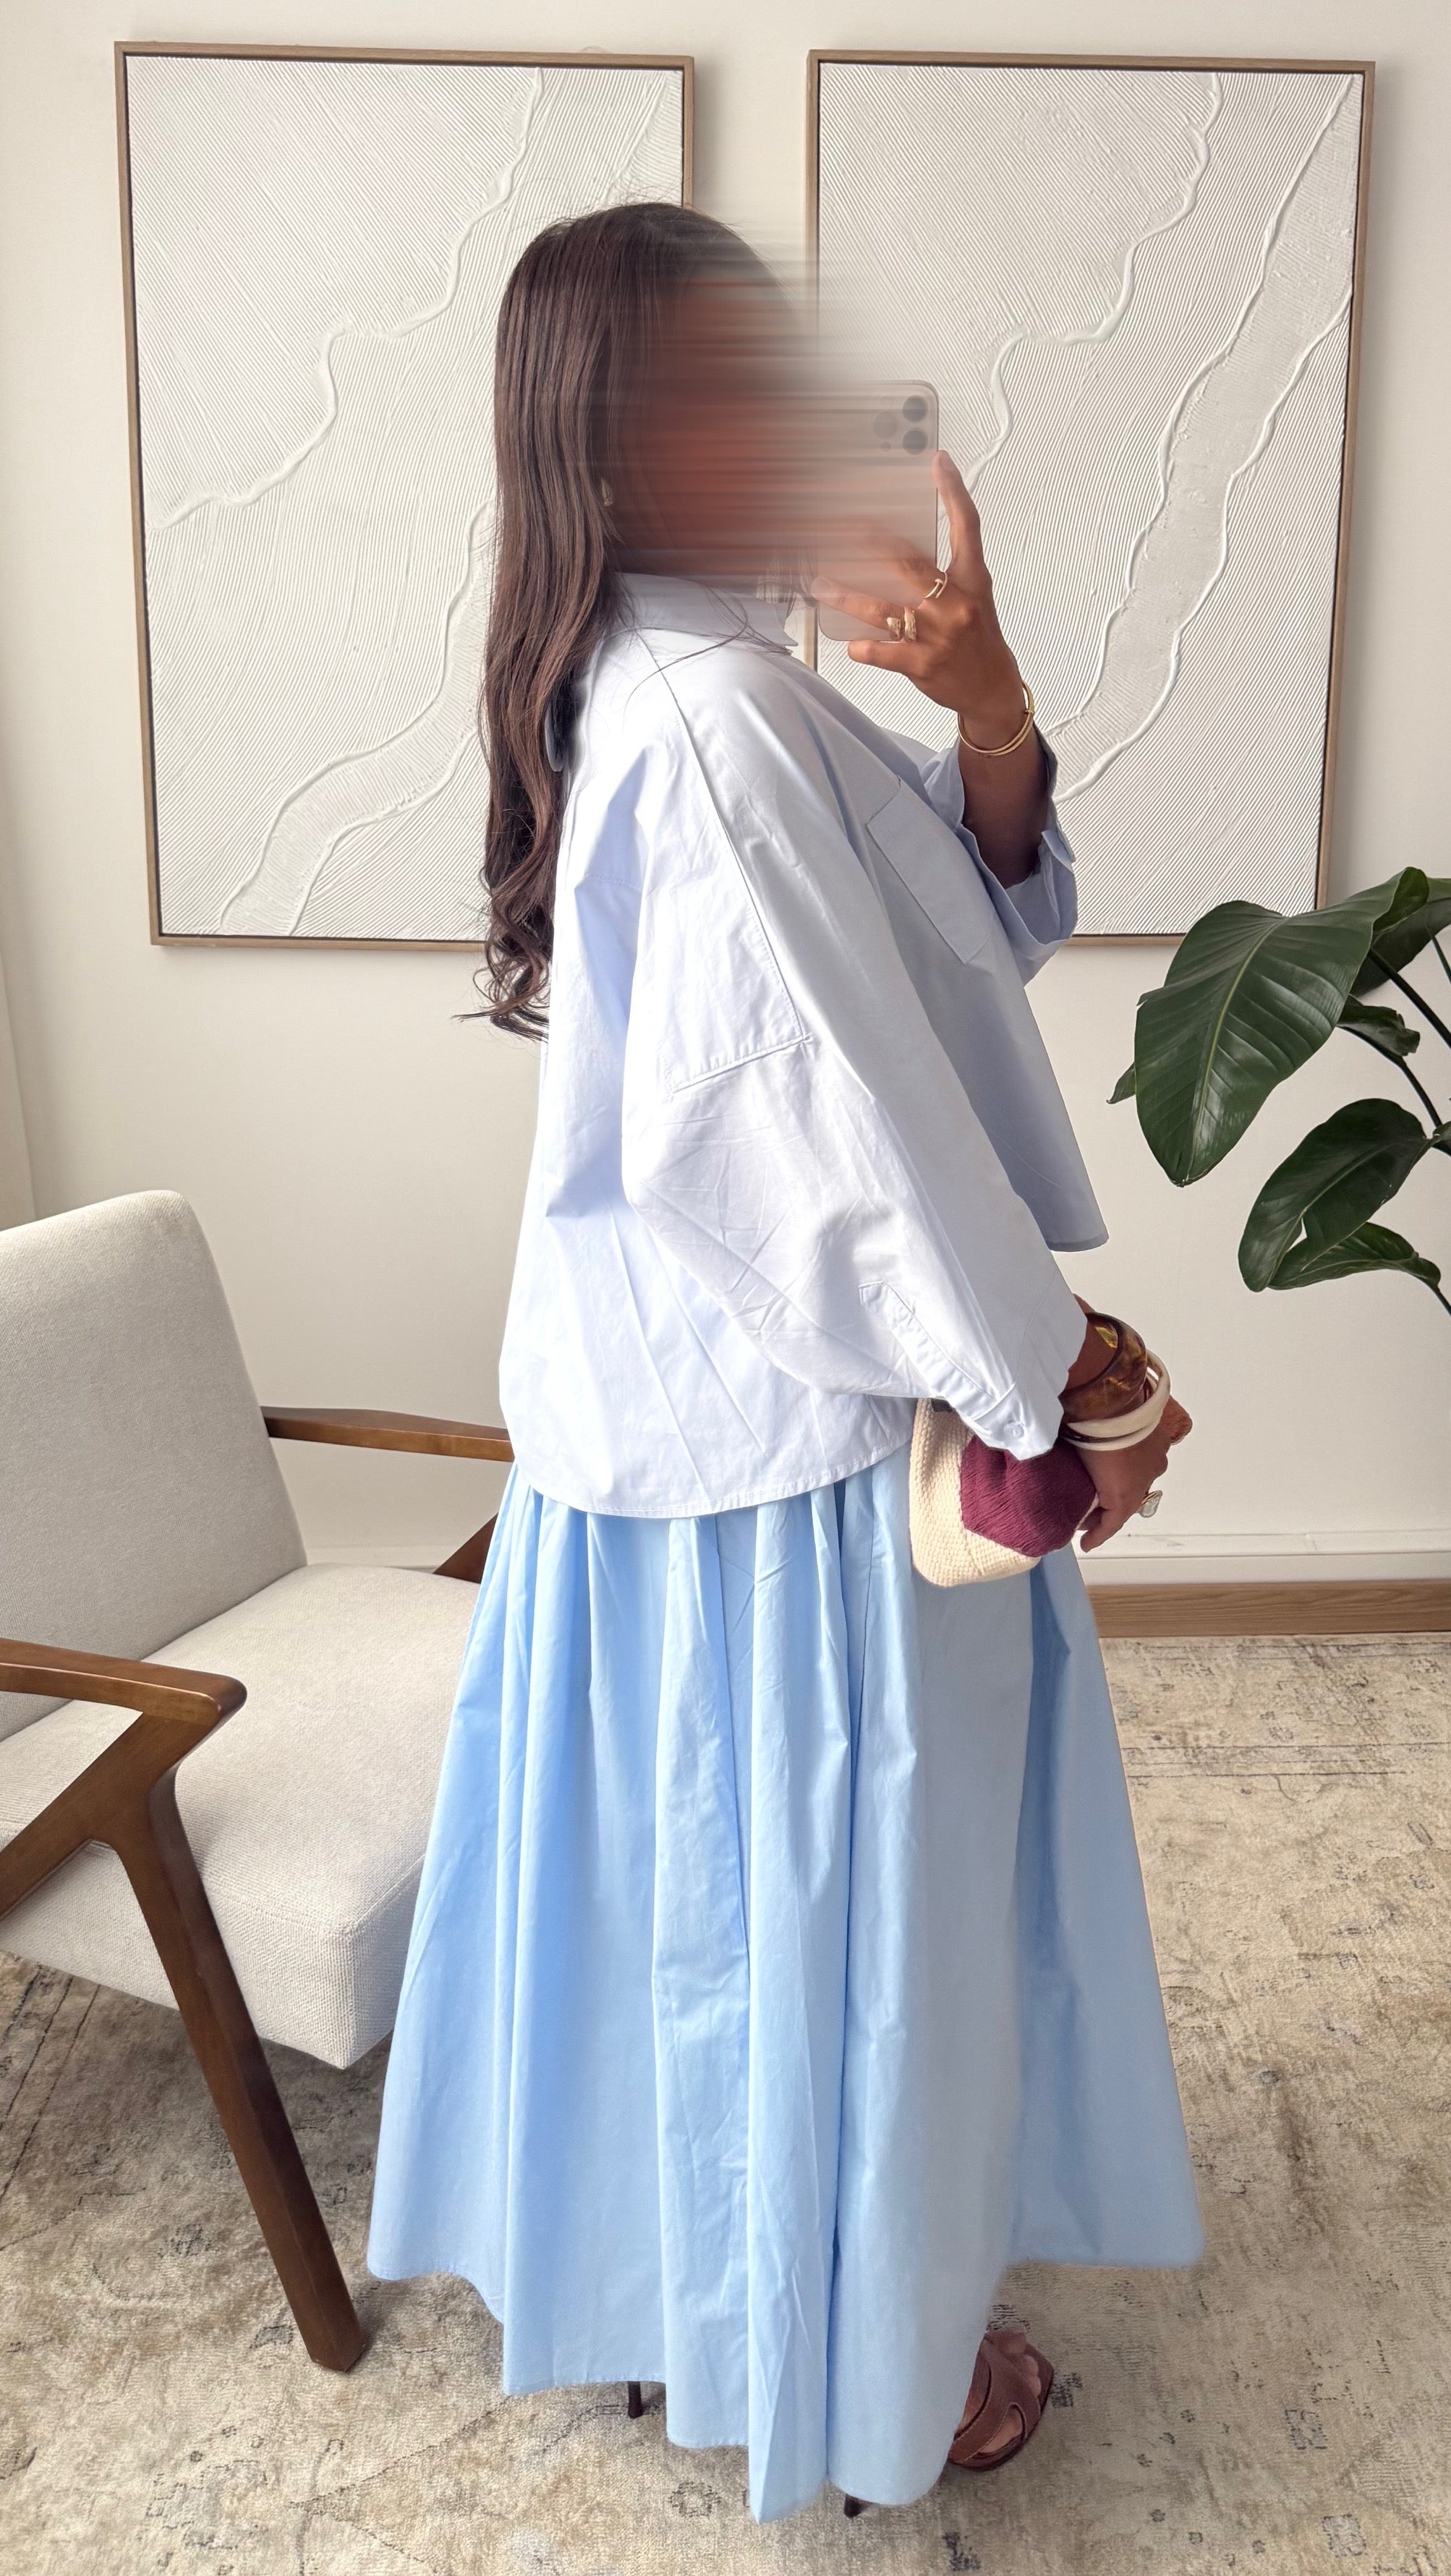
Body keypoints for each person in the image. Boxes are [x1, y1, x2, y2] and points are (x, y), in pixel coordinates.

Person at [367, 202, 1201, 2525]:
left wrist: (992, 703)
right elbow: (820, 1138)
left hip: (683, 1431)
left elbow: (958, 930)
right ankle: (860, 2366)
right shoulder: (713, 719)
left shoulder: (697, 687)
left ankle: (736, 2299)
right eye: (742, 387)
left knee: (716, 1908)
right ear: (630, 444)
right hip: (786, 1453)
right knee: (839, 1921)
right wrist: (1059, 1379)